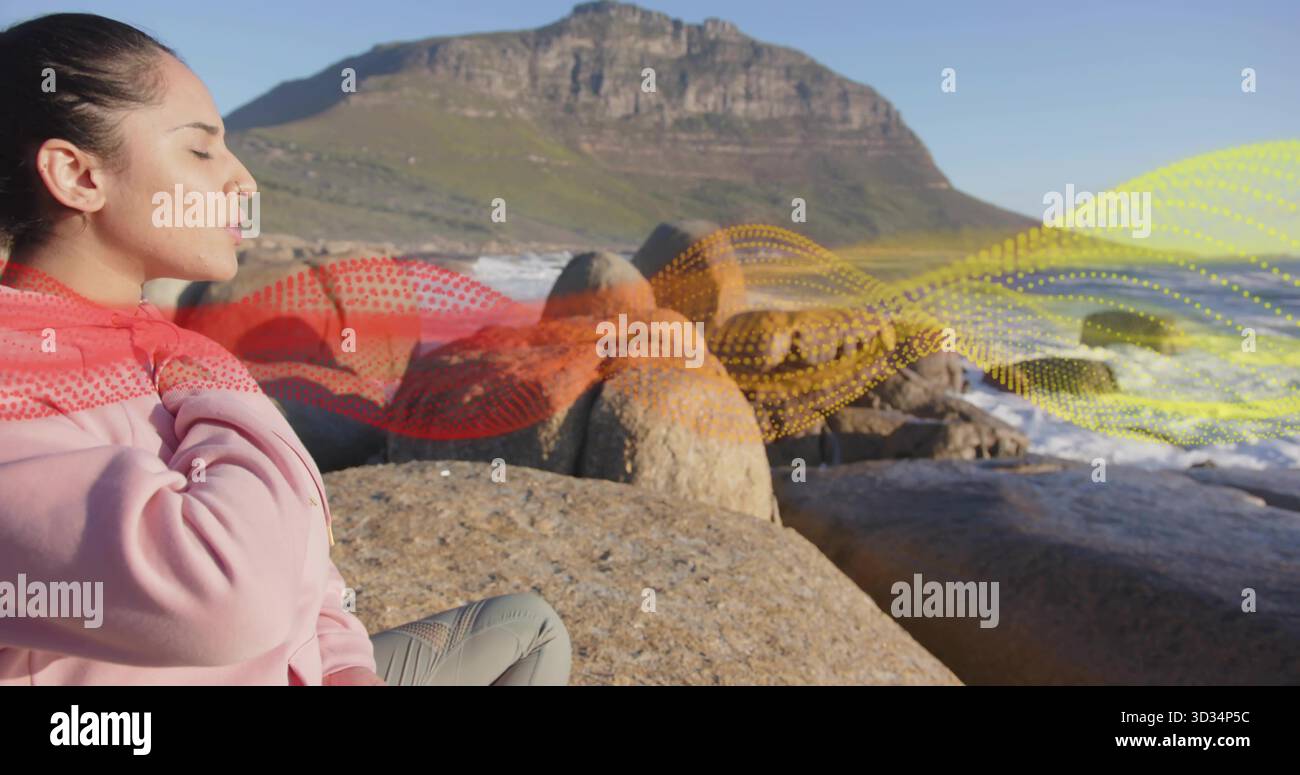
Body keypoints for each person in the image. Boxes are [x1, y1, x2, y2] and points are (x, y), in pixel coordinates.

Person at [0, 12, 570, 686]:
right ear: (77, 175)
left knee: (527, 629)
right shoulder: (25, 384)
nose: (244, 184)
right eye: (201, 151)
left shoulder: (147, 345)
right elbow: (231, 596)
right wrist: (220, 378)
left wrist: (345, 665)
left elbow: (300, 558)